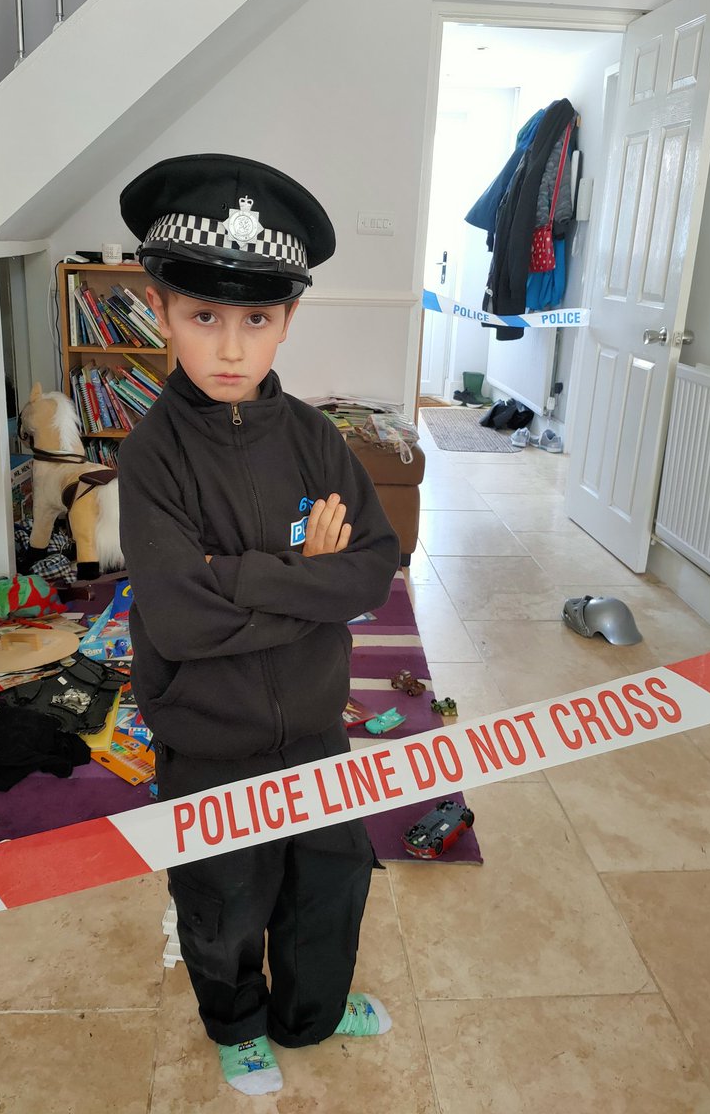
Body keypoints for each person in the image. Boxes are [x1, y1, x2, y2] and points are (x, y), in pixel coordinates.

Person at [117, 154, 401, 1095]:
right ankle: (236, 1021)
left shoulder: (319, 440)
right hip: (209, 739)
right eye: (203, 317)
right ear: (161, 311)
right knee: (225, 898)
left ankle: (309, 1013)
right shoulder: (151, 456)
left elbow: (373, 566)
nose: (230, 348)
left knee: (331, 881)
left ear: (287, 320)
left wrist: (238, 578)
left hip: (317, 729)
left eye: (256, 319)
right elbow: (180, 619)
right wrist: (299, 577)